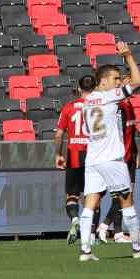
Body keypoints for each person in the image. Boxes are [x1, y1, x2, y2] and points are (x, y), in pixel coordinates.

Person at [75, 44, 140, 261]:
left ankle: (85, 251)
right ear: (102, 82)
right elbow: (138, 81)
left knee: (90, 203)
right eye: (115, 78)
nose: (119, 81)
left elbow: (116, 93)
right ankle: (137, 247)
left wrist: (118, 88)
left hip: (93, 159)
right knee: (127, 201)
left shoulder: (87, 100)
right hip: (112, 158)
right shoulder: (110, 97)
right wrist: (128, 55)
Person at [55, 75, 94, 244]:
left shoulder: (69, 107)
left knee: (72, 195)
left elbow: (59, 134)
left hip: (73, 154)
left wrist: (58, 154)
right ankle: (90, 235)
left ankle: (75, 220)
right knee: (92, 196)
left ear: (79, 88)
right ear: (95, 89)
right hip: (92, 155)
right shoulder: (97, 107)